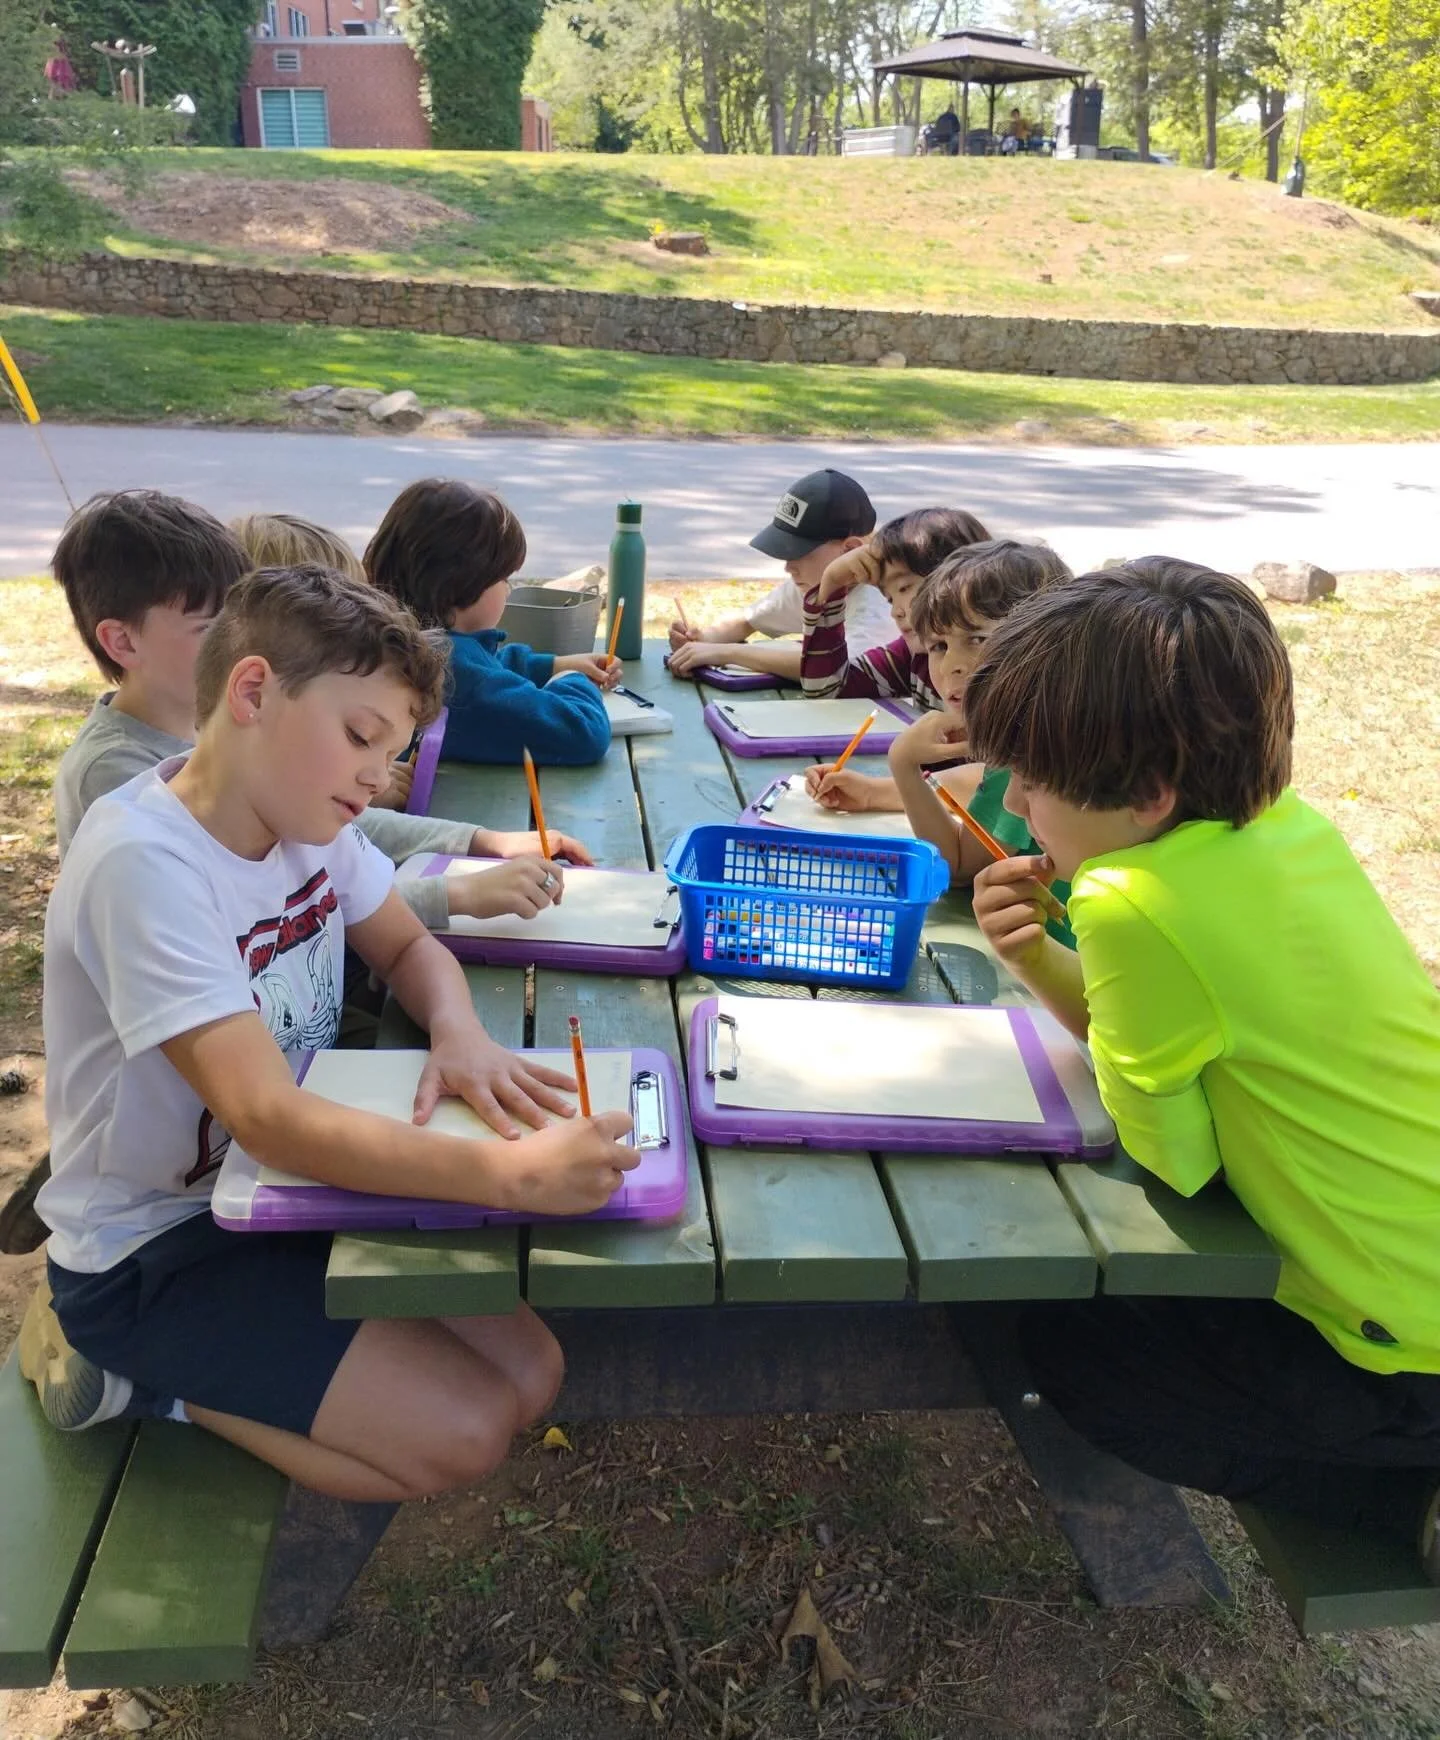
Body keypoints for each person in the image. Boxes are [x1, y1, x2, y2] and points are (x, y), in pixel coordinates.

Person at [21, 564, 635, 1503]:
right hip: (156, 1249)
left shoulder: (305, 819)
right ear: (254, 692)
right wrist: (507, 1176)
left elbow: (410, 946)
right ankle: (139, 1383)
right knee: (462, 1438)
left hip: (285, 1193)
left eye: (393, 751)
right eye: (360, 737)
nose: (377, 776)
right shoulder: (145, 864)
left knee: (531, 1373)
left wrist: (459, 1033)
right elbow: (265, 1116)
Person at [962, 557, 1440, 1567]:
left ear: (1146, 794)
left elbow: (1174, 1159)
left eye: (1036, 781)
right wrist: (1040, 959)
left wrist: (1067, 956)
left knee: (1078, 1359)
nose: (1015, 800)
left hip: (1397, 1348)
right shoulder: (1289, 828)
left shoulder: (1129, 898)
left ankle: (1403, 1503)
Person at [886, 540, 1076, 945]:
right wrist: (903, 768)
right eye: (939, 645)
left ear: (1043, 641)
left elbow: (959, 869)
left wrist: (905, 765)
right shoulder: (1018, 734)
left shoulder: (1027, 747)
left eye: (976, 639)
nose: (952, 663)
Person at [365, 480, 615, 767]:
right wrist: (574, 681)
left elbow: (486, 665)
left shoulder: (403, 642)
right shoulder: (456, 677)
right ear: (462, 585)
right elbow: (582, 733)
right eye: (503, 579)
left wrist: (552, 666)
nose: (507, 590)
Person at [799, 506, 991, 815]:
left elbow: (997, 783)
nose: (897, 610)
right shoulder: (913, 656)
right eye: (889, 597)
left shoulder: (1002, 669)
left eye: (905, 589)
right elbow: (828, 688)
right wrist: (831, 587)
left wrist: (880, 789)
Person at [667, 470, 895, 682]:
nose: (788, 567)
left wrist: (728, 652)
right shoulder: (815, 586)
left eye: (799, 552)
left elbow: (833, 669)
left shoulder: (882, 602)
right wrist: (703, 639)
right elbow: (748, 620)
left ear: (850, 550)